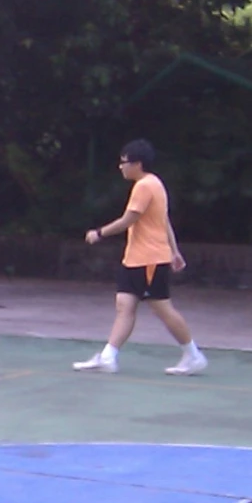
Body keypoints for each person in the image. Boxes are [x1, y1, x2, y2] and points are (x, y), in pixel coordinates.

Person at [76, 138, 207, 374]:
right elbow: (163, 221)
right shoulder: (153, 184)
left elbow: (129, 220)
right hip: (135, 258)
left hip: (149, 260)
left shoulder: (145, 186)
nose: (121, 167)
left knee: (162, 309)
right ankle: (108, 356)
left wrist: (99, 233)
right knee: (124, 306)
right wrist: (175, 251)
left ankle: (193, 355)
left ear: (137, 164)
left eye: (124, 162)